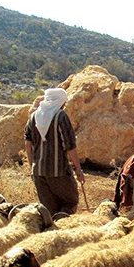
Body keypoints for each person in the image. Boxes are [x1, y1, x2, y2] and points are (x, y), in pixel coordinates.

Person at [25, 88, 85, 216]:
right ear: (61, 101)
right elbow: (70, 146)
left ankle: (49, 232)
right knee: (70, 202)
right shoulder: (60, 116)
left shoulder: (33, 117)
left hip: (38, 172)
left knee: (48, 210)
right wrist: (78, 170)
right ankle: (62, 230)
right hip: (58, 171)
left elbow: (28, 144)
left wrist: (32, 167)